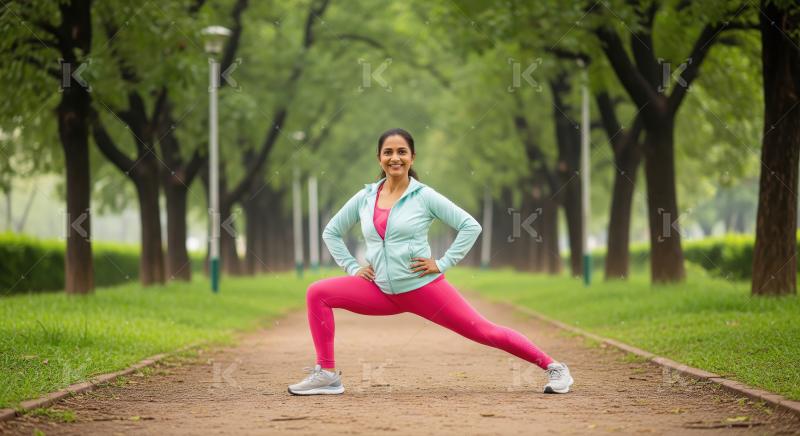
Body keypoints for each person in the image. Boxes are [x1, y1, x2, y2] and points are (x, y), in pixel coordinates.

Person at [288, 128, 573, 396]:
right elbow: (332, 232)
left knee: (484, 330)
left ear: (412, 157)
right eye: (388, 152)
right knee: (318, 293)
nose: (395, 158)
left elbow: (469, 226)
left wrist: (443, 262)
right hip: (381, 290)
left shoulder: (424, 196)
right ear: (379, 158)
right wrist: (353, 268)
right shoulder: (365, 197)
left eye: (402, 152)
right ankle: (327, 374)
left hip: (422, 287)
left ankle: (554, 368)